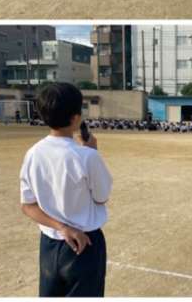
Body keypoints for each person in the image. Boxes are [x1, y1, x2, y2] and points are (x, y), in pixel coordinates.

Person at [19, 83, 113, 297]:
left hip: (49, 244)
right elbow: (101, 198)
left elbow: (27, 206)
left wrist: (62, 227)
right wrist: (92, 152)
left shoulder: (33, 154)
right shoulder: (87, 156)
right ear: (76, 118)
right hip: (85, 244)